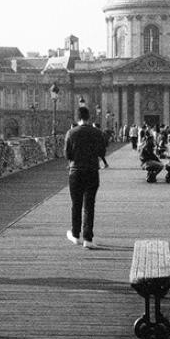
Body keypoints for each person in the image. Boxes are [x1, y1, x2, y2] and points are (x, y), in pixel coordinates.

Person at [64, 105, 107, 249]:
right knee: (89, 205)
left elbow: (67, 155)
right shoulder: (97, 133)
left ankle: (75, 235)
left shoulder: (71, 133)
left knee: (76, 204)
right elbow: (102, 151)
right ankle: (88, 239)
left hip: (75, 172)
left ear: (78, 118)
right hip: (92, 171)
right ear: (89, 117)